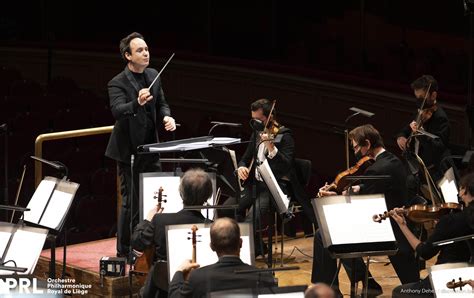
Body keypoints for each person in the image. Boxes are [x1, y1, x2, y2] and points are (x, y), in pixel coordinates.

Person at [313, 124, 419, 296]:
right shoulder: (391, 159)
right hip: (392, 221)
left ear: (367, 144)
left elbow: (361, 206)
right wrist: (358, 188)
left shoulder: (377, 169)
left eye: (356, 147)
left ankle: (328, 292)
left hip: (384, 227)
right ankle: (367, 282)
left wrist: (331, 198)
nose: (356, 152)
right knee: (334, 235)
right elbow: (378, 188)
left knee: (322, 234)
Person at [105, 32, 177, 258]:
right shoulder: (117, 82)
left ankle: (149, 243)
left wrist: (167, 117)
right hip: (129, 151)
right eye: (139, 50)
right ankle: (124, 249)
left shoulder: (153, 74)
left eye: (146, 49)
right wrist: (136, 103)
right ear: (128, 56)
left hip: (150, 148)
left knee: (155, 197)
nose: (145, 53)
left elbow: (162, 103)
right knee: (131, 202)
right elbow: (117, 111)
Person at [222, 98, 315, 249]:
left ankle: (245, 251)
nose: (255, 123)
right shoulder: (256, 134)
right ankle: (258, 247)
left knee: (251, 220)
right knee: (226, 209)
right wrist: (241, 168)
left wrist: (271, 147)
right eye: (253, 120)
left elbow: (286, 165)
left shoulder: (285, 135)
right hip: (255, 185)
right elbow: (244, 159)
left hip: (274, 186)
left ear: (269, 117)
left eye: (259, 119)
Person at [131, 168, 213, 298]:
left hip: (162, 289)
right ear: (208, 196)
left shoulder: (160, 220)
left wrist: (147, 220)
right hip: (198, 291)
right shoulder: (213, 227)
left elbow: (136, 242)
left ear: (181, 194)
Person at [391, 172, 474, 297]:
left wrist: (402, 225)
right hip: (471, 275)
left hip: (447, 280)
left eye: (460, 188)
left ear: (465, 191)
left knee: (400, 292)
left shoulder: (452, 221)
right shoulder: (457, 219)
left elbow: (424, 252)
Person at [168, 217, 276, 298]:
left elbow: (174, 296)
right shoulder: (264, 277)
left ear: (212, 247)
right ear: (241, 243)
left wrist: (179, 271)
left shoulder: (197, 278)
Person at [396, 75, 450, 182]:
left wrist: (421, 133)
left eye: (422, 98)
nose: (419, 101)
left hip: (429, 169)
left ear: (433, 95)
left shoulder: (440, 118)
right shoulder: (421, 110)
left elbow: (439, 148)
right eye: (417, 97)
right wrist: (401, 136)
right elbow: (406, 129)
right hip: (413, 162)